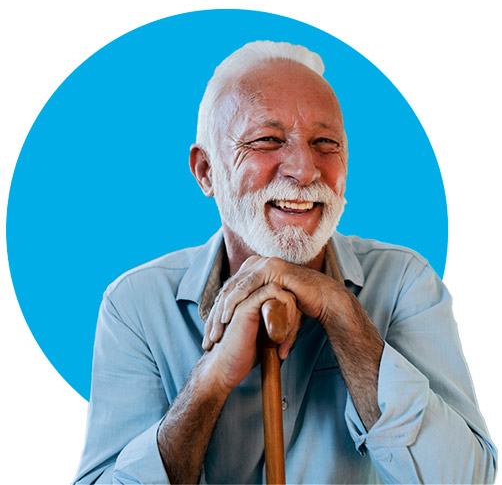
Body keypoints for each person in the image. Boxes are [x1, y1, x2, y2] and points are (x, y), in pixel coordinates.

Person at [73, 41, 497, 484]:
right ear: (206, 172)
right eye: (268, 141)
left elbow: (466, 479)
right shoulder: (136, 304)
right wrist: (209, 383)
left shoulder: (405, 282)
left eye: (324, 143)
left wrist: (344, 316)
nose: (305, 169)